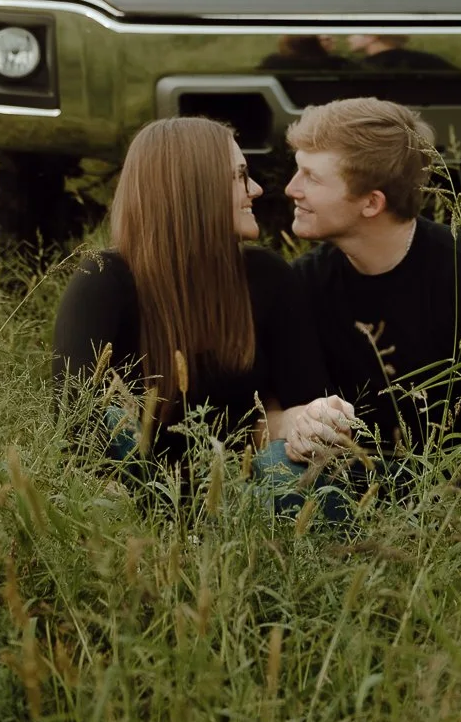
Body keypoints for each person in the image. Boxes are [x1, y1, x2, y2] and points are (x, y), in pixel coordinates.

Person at [52, 116, 350, 468]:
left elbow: (300, 406)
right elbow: (77, 427)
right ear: (195, 188)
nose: (255, 188)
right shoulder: (104, 282)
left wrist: (317, 418)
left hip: (247, 495)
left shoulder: (267, 277)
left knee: (289, 473)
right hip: (135, 497)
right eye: (239, 176)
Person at [284, 98, 461, 465]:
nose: (291, 189)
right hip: (348, 486)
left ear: (372, 203)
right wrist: (303, 426)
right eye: (298, 171)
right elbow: (284, 409)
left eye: (311, 176)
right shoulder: (304, 282)